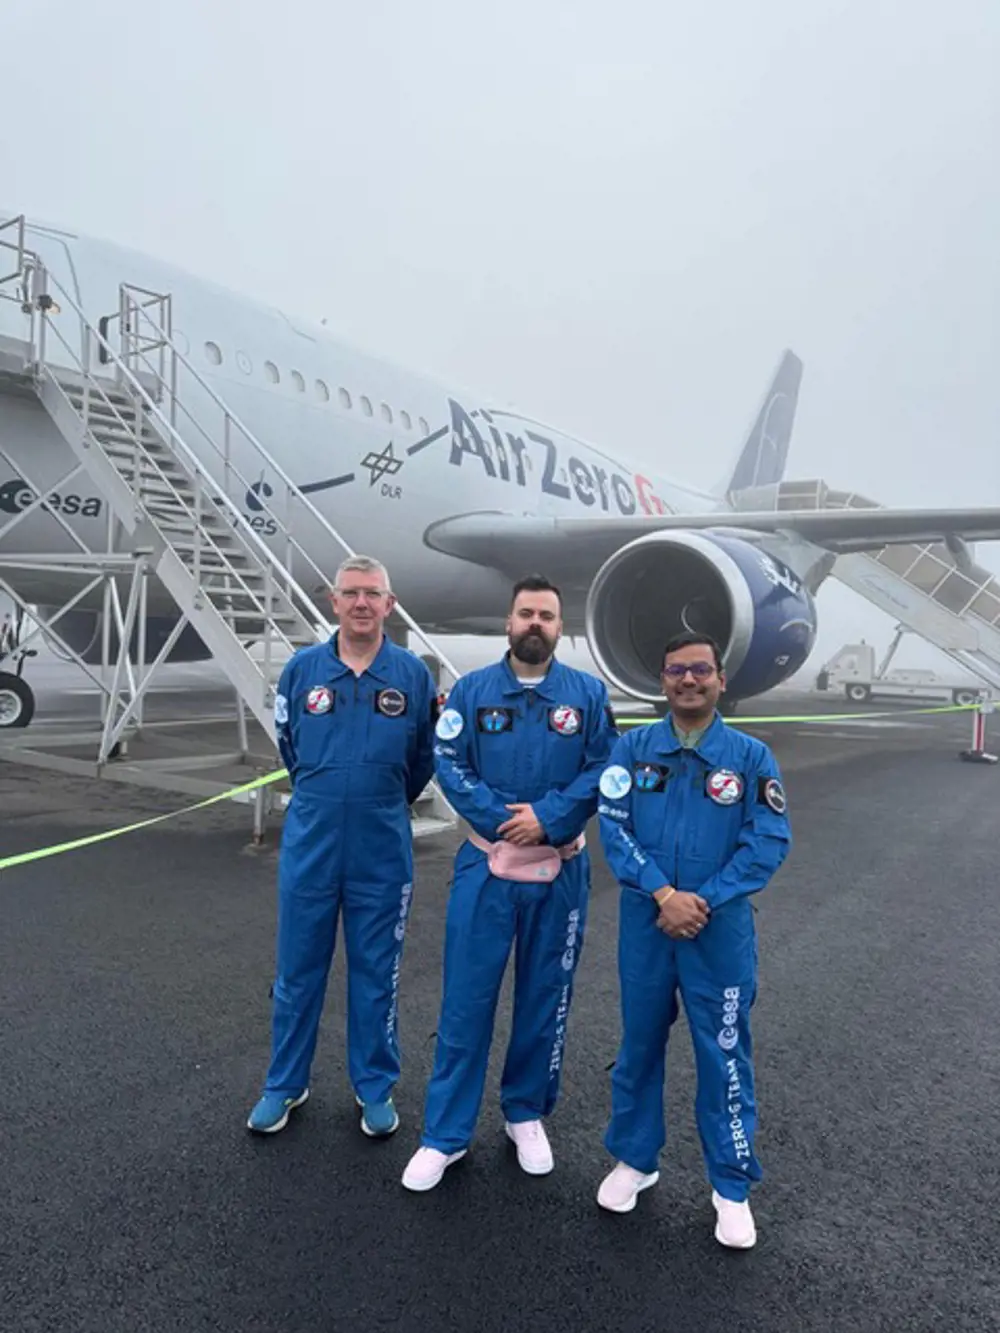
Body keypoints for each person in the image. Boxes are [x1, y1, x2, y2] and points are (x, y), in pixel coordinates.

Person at [401, 575, 618, 1191]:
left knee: (545, 998)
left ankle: (525, 1114)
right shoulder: (472, 693)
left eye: (547, 616)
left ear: (559, 626)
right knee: (467, 1001)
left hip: (561, 871)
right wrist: (504, 820)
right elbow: (450, 763)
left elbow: (606, 766)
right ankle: (444, 1134)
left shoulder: (588, 697)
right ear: (508, 621)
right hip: (485, 869)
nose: (535, 624)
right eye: (526, 613)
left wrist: (548, 817)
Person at [595, 631, 790, 1248]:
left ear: (720, 680)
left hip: (718, 928)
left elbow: (767, 840)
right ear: (662, 679)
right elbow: (614, 828)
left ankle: (730, 1187)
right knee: (639, 1048)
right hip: (648, 924)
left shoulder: (752, 758)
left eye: (700, 670)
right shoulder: (632, 750)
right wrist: (662, 893)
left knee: (724, 1056)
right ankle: (635, 1160)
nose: (689, 680)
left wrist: (703, 899)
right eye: (677, 669)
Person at [247, 555, 438, 1138]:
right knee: (298, 970)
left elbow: (421, 761)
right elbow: (291, 749)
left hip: (381, 845)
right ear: (334, 601)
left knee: (377, 972)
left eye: (372, 594)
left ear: (390, 604)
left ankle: (374, 1085)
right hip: (312, 842)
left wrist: (377, 799)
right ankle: (285, 1083)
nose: (361, 603)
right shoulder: (302, 672)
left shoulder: (412, 676)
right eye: (351, 593)